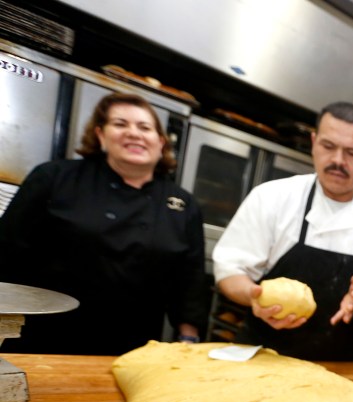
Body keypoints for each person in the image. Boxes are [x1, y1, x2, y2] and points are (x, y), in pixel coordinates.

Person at [0, 92, 208, 355]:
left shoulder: (182, 204)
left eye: (145, 127)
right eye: (120, 124)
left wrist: (188, 341)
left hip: (134, 346)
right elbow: (6, 252)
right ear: (101, 135)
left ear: (160, 142)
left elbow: (190, 282)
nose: (134, 133)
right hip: (44, 338)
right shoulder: (55, 178)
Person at [212, 101, 353, 361]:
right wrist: (254, 297)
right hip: (261, 359)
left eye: (351, 152)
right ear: (314, 143)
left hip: (335, 369)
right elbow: (229, 271)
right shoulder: (271, 198)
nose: (338, 161)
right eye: (328, 147)